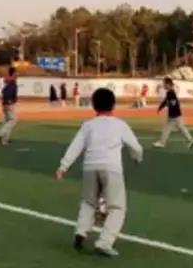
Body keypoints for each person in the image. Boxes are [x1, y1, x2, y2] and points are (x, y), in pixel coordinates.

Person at [56, 88, 143, 257]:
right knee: (116, 207)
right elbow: (136, 147)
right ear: (113, 105)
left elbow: (76, 146)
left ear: (94, 105)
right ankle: (104, 242)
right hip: (111, 168)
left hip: (90, 167)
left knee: (89, 202)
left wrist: (63, 166)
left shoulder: (88, 125)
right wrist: (136, 158)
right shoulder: (120, 124)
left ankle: (81, 232)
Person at [154, 77, 193, 149]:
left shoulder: (171, 93)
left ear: (168, 84)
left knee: (167, 127)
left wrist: (167, 105)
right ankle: (190, 140)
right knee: (180, 127)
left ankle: (162, 143)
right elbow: (165, 101)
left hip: (174, 115)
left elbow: (173, 103)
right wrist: (160, 108)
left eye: (164, 84)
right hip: (176, 114)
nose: (163, 85)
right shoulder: (169, 92)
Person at [0, 67, 19, 145]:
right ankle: (0, 134)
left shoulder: (8, 81)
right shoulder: (12, 82)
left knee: (7, 121)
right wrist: (9, 101)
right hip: (9, 103)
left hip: (6, 103)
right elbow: (8, 92)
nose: (18, 74)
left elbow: (3, 91)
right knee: (13, 120)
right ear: (13, 73)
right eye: (16, 72)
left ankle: (4, 140)